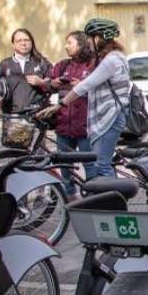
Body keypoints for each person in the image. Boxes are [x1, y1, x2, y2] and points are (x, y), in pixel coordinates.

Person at [39, 19, 130, 178]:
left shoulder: (111, 61)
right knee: (101, 163)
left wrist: (59, 105)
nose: (88, 44)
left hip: (111, 117)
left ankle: (113, 201)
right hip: (113, 115)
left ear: (98, 38)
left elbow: (85, 86)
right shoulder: (116, 56)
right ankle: (108, 197)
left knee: (101, 165)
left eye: (89, 39)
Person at [44, 31, 97, 199]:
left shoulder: (93, 65)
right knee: (64, 165)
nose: (66, 46)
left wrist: (81, 86)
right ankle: (70, 195)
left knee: (90, 164)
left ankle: (93, 195)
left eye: (70, 43)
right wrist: (52, 83)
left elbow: (100, 91)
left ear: (80, 44)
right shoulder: (62, 65)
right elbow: (47, 84)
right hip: (63, 125)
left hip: (85, 126)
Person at [0, 28, 52, 114]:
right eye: (19, 41)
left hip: (37, 114)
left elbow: (55, 85)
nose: (23, 43)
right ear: (13, 45)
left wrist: (41, 82)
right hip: (12, 115)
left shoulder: (42, 62)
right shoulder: (5, 64)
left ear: (32, 43)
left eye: (27, 40)